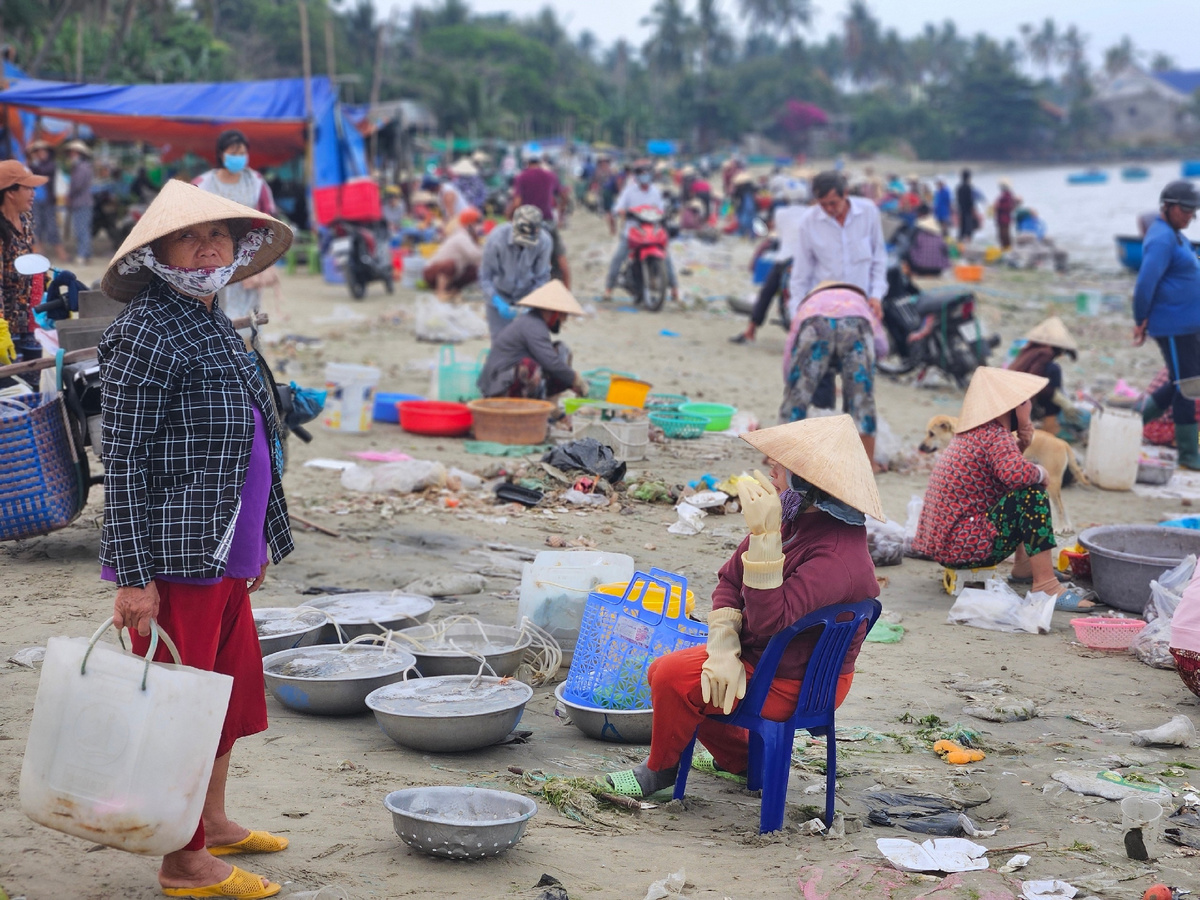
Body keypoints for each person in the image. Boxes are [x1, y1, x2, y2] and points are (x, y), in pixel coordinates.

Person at [98, 179, 294, 898]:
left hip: (225, 548)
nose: (207, 247)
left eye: (218, 235)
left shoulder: (211, 314)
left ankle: (209, 821)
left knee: (225, 696)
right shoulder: (144, 329)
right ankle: (183, 861)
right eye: (189, 237)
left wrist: (258, 540)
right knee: (179, 708)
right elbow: (122, 460)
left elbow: (248, 429)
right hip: (174, 557)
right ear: (157, 253)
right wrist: (132, 575)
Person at [598, 415, 882, 798]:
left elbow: (768, 621)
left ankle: (660, 771)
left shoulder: (836, 556)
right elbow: (731, 579)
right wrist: (723, 647)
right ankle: (743, 760)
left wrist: (764, 538)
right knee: (697, 675)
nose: (772, 465)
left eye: (784, 461)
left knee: (669, 676)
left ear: (810, 480)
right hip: (762, 658)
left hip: (801, 682)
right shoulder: (793, 510)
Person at [911, 367, 1095, 611]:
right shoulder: (995, 436)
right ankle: (1046, 585)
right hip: (966, 546)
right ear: (1015, 407)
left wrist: (1022, 444)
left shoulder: (976, 433)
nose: (1030, 406)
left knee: (1020, 491)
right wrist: (1041, 472)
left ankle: (1025, 568)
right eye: (1026, 402)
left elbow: (999, 476)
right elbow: (1017, 476)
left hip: (952, 542)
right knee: (1033, 492)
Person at [780, 282, 889, 472]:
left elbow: (790, 349)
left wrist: (790, 380)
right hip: (856, 325)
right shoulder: (860, 303)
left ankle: (782, 459)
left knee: (798, 397)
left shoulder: (809, 304)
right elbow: (882, 346)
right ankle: (867, 463)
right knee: (862, 399)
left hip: (816, 324)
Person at [1134, 180, 1200, 470]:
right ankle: (1188, 454)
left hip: (1188, 325)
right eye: (1185, 209)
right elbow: (1144, 284)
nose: (1190, 215)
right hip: (1174, 327)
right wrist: (1140, 319)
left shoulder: (1175, 234)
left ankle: (1131, 424)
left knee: (1182, 381)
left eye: (1193, 210)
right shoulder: (1160, 238)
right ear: (1167, 206)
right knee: (1187, 385)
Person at [193, 130, 277, 339]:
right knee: (214, 308)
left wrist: (267, 262)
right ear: (222, 154)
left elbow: (269, 220)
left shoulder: (256, 183)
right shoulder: (203, 184)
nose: (239, 157)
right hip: (212, 257)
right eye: (233, 152)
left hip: (248, 258)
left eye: (242, 152)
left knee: (248, 316)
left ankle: (247, 358)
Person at [477, 279, 589, 399]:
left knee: (561, 350)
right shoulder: (533, 325)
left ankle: (550, 404)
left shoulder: (535, 323)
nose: (563, 321)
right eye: (563, 316)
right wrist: (576, 379)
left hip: (507, 378)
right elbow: (550, 362)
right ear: (555, 313)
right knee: (530, 367)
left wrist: (569, 382)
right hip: (497, 385)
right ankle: (526, 408)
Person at [732, 191, 807, 344]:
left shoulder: (780, 212)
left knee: (766, 294)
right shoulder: (813, 213)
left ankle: (750, 331)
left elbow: (776, 231)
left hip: (784, 259)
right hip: (805, 261)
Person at [603, 160, 679, 303]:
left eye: (646, 173)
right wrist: (622, 212)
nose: (644, 176)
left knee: (666, 256)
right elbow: (618, 208)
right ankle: (609, 289)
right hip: (632, 232)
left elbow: (661, 210)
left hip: (652, 231)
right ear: (636, 176)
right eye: (640, 173)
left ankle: (675, 290)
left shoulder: (655, 192)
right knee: (618, 258)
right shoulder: (629, 191)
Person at [0, 160, 49, 365]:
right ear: (10, 192)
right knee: (11, 390)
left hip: (31, 320)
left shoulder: (27, 219)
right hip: (7, 327)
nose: (33, 193)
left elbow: (31, 259)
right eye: (28, 188)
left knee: (33, 385)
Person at [479, 205, 552, 339]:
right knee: (500, 343)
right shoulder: (496, 240)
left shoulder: (544, 242)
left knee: (529, 342)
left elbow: (542, 277)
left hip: (528, 294)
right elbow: (485, 277)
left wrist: (530, 303)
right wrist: (496, 300)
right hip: (500, 293)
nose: (523, 246)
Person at [1008, 317, 1079, 433]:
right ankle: (1049, 424)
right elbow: (1034, 381)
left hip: (1013, 392)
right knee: (1054, 371)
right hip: (1019, 398)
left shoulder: (1031, 349)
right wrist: (1060, 400)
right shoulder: (1046, 353)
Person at [422, 208, 483, 299]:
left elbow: (477, 260)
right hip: (432, 273)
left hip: (453, 274)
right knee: (449, 264)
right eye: (477, 224)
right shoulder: (461, 236)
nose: (479, 227)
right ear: (470, 224)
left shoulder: (470, 238)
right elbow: (474, 255)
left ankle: (453, 290)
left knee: (475, 270)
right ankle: (440, 292)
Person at [27, 139, 64, 263]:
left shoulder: (50, 165)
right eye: (38, 151)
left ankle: (60, 253)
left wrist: (34, 163)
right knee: (37, 225)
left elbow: (43, 173)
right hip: (35, 201)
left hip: (48, 201)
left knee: (51, 226)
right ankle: (40, 252)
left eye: (43, 151)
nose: (41, 153)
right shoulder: (32, 165)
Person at [65, 139, 94, 265]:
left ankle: (82, 254)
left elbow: (77, 185)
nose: (71, 155)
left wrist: (69, 195)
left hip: (81, 202)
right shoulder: (81, 167)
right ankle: (86, 254)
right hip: (82, 202)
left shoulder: (81, 168)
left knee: (81, 229)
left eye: (74, 153)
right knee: (83, 229)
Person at [509, 153, 561, 223]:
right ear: (539, 162)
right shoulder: (551, 176)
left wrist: (510, 214)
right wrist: (561, 215)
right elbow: (562, 194)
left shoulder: (521, 177)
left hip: (527, 220)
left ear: (527, 163)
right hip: (546, 218)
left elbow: (517, 202)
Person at [994, 179, 1019, 250]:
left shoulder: (1007, 196)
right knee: (1002, 235)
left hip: (1004, 218)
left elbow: (1008, 207)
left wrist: (998, 207)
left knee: (1005, 235)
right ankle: (1005, 248)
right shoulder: (1005, 195)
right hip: (1002, 218)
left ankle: (1007, 249)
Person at [956, 168, 979, 242]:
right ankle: (969, 242)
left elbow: (958, 200)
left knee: (962, 228)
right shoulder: (969, 187)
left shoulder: (959, 188)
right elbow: (970, 200)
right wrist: (974, 210)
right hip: (968, 210)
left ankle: (960, 242)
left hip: (961, 210)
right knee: (969, 228)